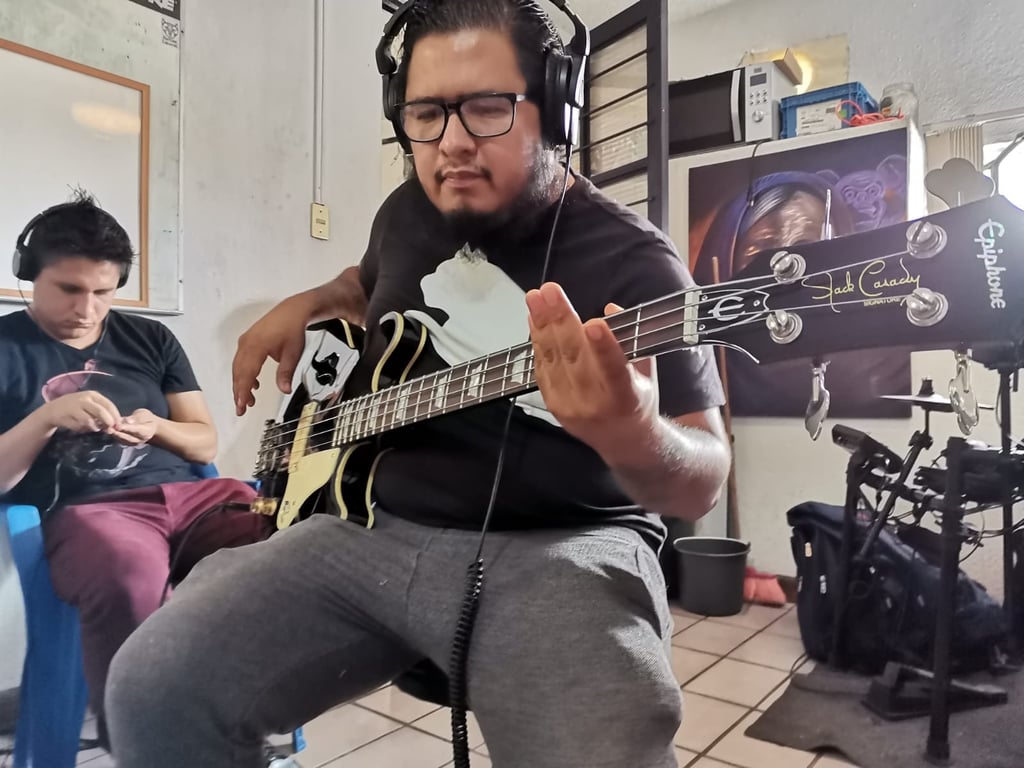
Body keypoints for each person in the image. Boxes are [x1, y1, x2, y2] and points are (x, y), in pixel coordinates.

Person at [105, 2, 731, 766]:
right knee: (153, 686)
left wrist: (633, 433)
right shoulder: (408, 209)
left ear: (557, 109)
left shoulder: (641, 261)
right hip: (371, 525)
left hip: (565, 546)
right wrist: (310, 302)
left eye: (489, 108)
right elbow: (372, 282)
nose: (453, 143)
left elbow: (704, 477)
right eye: (426, 113)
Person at [0, 193, 274, 748]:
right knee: (128, 574)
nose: (89, 309)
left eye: (104, 291)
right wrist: (48, 418)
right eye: (69, 290)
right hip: (91, 512)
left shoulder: (151, 339)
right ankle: (147, 744)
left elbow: (203, 441)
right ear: (30, 275)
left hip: (191, 495)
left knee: (287, 536)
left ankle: (246, 723)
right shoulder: (6, 346)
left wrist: (157, 426)